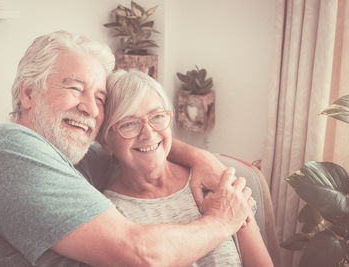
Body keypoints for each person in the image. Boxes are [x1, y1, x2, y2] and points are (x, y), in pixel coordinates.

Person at [0, 30, 252, 266]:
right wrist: (223, 219)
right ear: (28, 92)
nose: (89, 108)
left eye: (99, 98)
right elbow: (141, 256)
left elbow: (136, 141)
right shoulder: (10, 150)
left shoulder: (75, 157)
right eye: (74, 88)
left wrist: (201, 158)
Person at [97, 69, 273, 267]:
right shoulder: (109, 214)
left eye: (156, 117)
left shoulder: (213, 180)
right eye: (129, 123)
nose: (148, 133)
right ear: (106, 142)